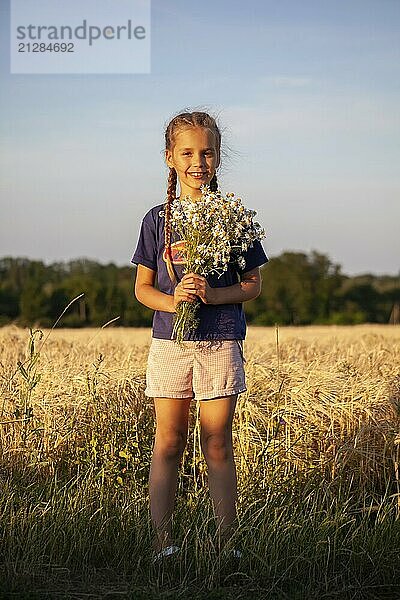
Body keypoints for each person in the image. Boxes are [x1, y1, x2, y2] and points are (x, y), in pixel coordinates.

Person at [131, 110, 268, 562]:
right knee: (169, 441)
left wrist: (210, 294)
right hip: (171, 342)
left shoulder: (235, 217)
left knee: (217, 441)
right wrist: (177, 303)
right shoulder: (156, 220)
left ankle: (225, 547)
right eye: (187, 153)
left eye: (206, 152)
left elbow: (252, 285)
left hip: (221, 339)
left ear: (218, 158)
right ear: (170, 159)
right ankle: (161, 546)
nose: (198, 161)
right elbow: (143, 289)